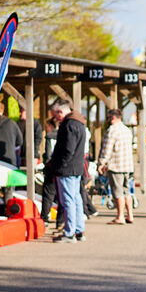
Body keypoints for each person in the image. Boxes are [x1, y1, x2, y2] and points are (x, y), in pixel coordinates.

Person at [47, 99, 87, 243]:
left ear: (60, 111)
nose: (55, 118)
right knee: (76, 199)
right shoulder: (79, 123)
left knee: (68, 200)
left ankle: (69, 233)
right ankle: (79, 230)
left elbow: (67, 149)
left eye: (55, 115)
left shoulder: (68, 125)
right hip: (76, 167)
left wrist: (59, 165)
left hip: (67, 169)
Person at [98, 108, 135, 225]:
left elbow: (107, 149)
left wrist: (102, 163)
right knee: (126, 191)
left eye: (109, 118)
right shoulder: (126, 129)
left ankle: (120, 216)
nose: (108, 120)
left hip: (116, 165)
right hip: (127, 165)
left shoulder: (112, 130)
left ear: (113, 117)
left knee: (117, 191)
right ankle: (130, 215)